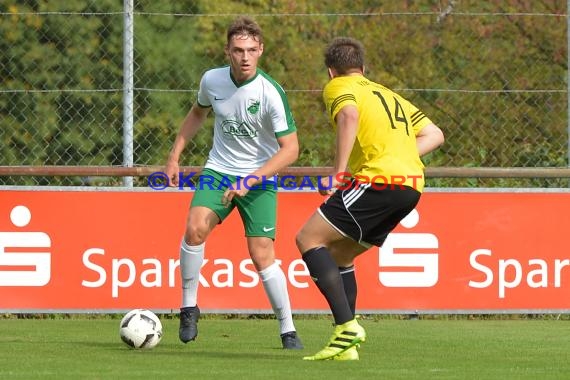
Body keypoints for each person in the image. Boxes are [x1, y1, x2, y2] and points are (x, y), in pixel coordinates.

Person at [296, 37, 444, 361]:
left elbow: (348, 116)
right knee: (341, 256)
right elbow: (436, 134)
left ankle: (346, 326)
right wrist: (399, 155)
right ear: (363, 68)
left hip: (379, 181)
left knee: (308, 238)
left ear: (331, 71)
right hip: (411, 187)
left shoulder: (338, 87)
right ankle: (347, 348)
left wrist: (338, 173)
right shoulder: (390, 95)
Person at [165, 16, 303, 350]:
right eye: (238, 50)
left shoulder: (271, 93)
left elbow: (292, 149)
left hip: (260, 178)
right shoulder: (211, 80)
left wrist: (251, 180)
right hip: (219, 170)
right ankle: (188, 307)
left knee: (261, 253)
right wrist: (174, 155)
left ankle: (288, 330)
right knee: (195, 228)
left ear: (260, 51)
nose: (244, 57)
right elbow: (197, 113)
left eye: (251, 50)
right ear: (227, 50)